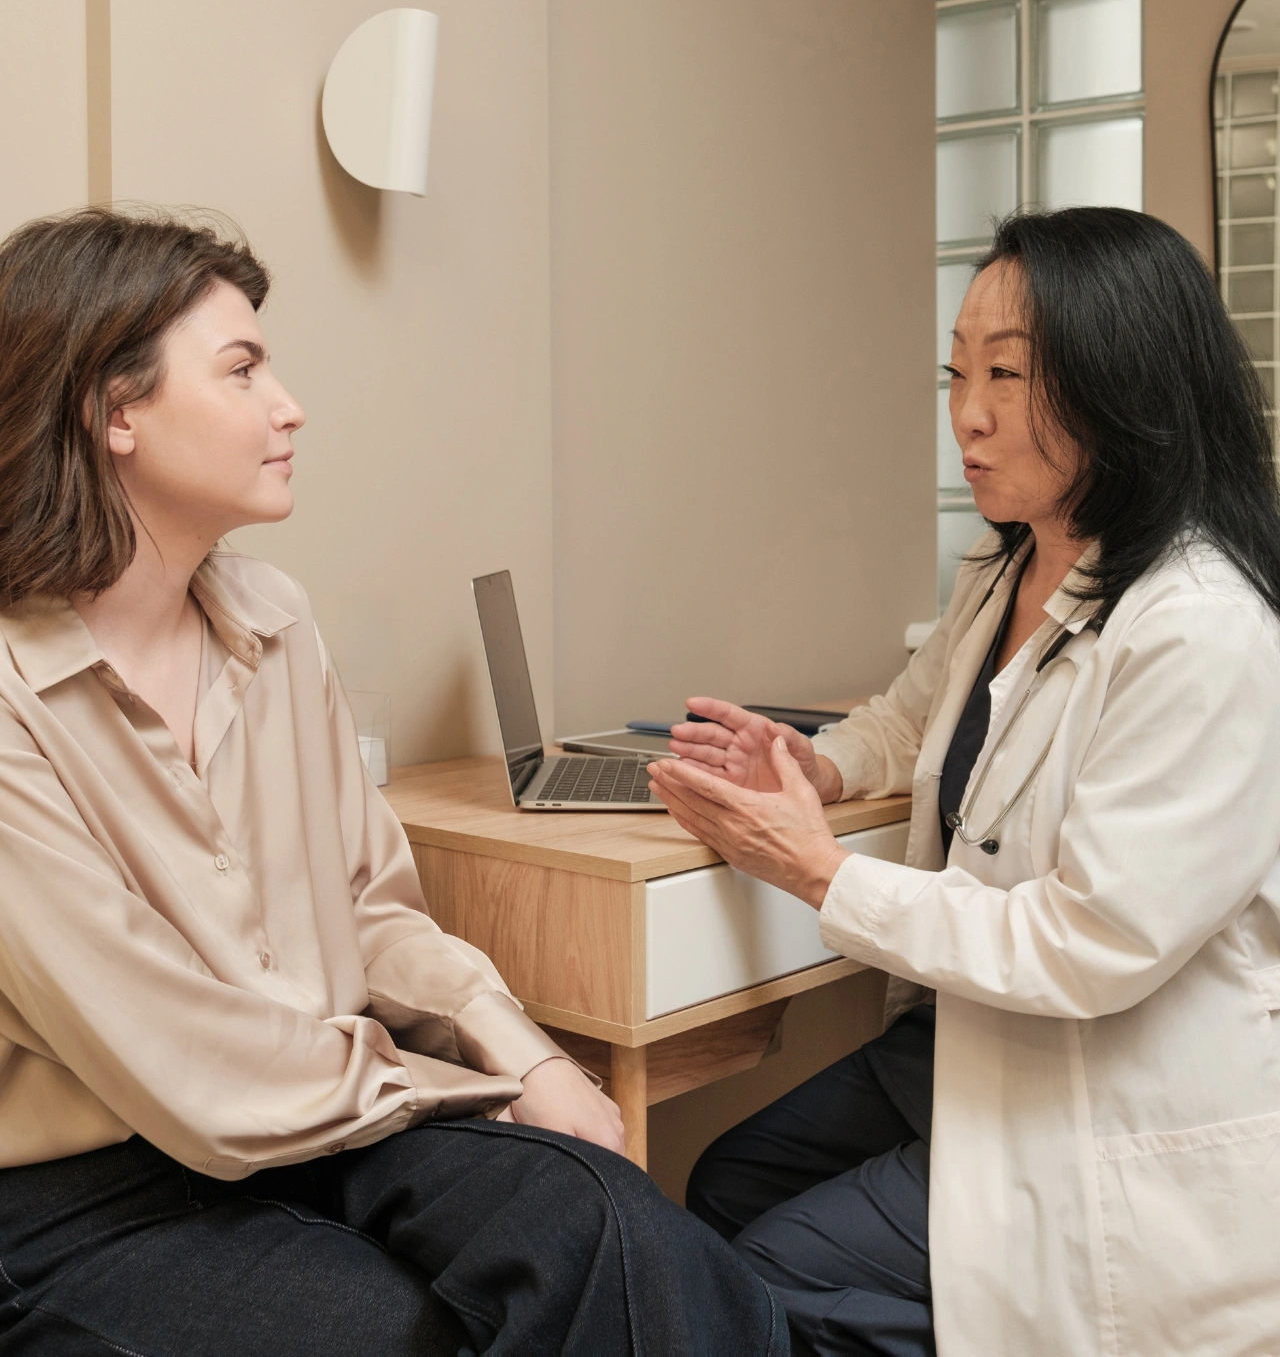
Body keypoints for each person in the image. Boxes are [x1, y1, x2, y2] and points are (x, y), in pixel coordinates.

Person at [0, 207, 788, 1357]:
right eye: (242, 368)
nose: (289, 405)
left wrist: (523, 1052)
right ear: (114, 410)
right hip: (96, 1186)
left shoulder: (274, 617)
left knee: (621, 1229)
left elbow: (370, 908)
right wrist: (462, 1087)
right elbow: (188, 1068)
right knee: (403, 1331)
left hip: (326, 1115)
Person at [648, 207, 1280, 1357]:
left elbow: (1088, 942)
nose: (965, 414)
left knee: (771, 1270)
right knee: (728, 1183)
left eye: (1006, 373)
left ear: (1119, 383)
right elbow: (913, 711)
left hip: (1100, 1095)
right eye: (955, 372)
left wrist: (819, 869)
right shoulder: (1009, 561)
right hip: (970, 1040)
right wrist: (815, 763)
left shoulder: (1199, 628)